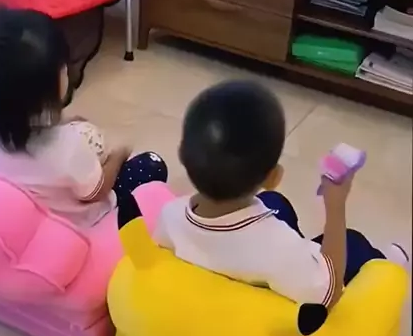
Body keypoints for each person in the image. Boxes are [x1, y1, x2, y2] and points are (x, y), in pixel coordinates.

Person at [154, 80, 408, 309]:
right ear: (273, 178)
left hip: (230, 265)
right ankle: (386, 262)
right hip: (276, 286)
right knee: (353, 244)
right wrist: (335, 205)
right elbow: (328, 293)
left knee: (274, 204)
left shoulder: (169, 215)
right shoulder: (276, 247)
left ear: (182, 155)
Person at [0, 9, 168, 228]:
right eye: (62, 68)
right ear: (45, 92)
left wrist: (61, 126)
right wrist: (119, 154)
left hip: (15, 218)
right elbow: (95, 192)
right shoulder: (68, 146)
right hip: (70, 226)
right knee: (151, 165)